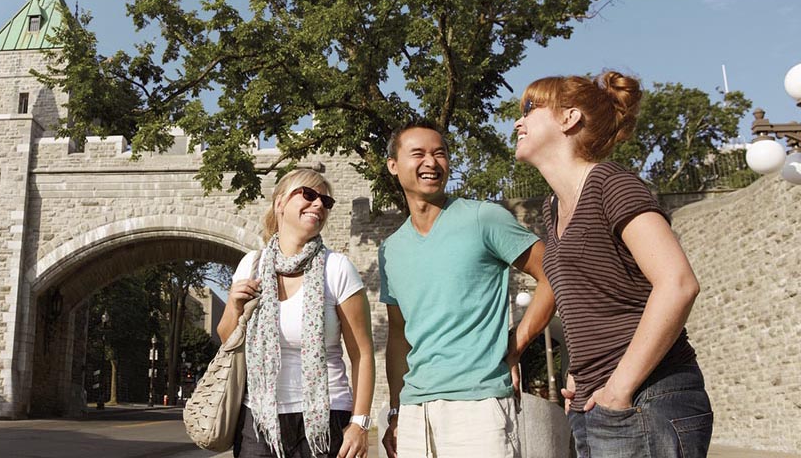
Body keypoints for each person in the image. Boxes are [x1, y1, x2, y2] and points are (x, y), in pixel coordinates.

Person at [514, 72, 711, 457]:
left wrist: (620, 387)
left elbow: (678, 283)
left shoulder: (611, 184)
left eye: (530, 108)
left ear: (569, 118)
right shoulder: (552, 209)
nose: (519, 121)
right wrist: (578, 373)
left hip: (647, 397)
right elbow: (589, 298)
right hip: (594, 403)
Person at [379, 120, 554, 458]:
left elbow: (553, 275)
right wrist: (396, 412)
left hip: (480, 406)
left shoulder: (483, 218)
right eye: (418, 154)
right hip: (416, 414)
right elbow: (398, 336)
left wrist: (516, 345)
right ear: (393, 166)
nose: (431, 162)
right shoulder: (390, 249)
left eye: (439, 154)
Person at [219, 168, 374, 458]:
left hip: (325, 417)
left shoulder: (337, 268)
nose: (318, 205)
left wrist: (359, 423)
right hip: (259, 417)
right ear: (280, 203)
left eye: (325, 202)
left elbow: (362, 354)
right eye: (309, 195)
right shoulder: (251, 265)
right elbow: (228, 340)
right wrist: (233, 305)